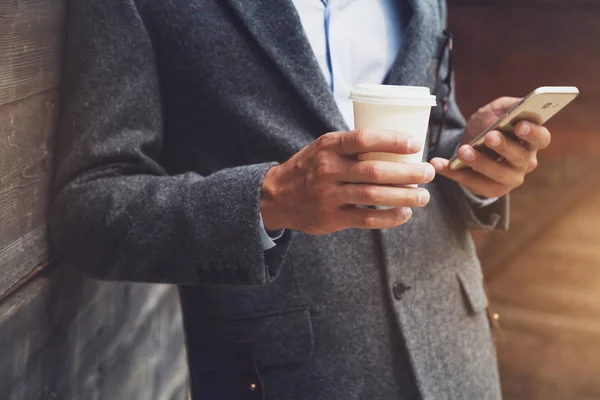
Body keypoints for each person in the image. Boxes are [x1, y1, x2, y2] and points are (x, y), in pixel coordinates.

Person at [49, 0, 551, 399]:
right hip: (282, 375)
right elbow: (89, 210)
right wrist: (268, 201)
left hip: (457, 356)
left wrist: (475, 160)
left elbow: (438, 136)